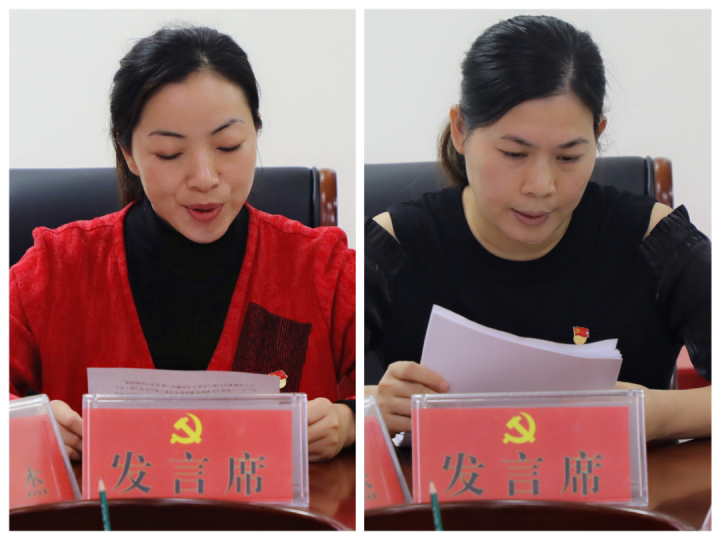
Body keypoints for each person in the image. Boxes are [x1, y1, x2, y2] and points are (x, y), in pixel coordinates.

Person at [10, 25, 355, 462]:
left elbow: (389, 387)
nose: (205, 178)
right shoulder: (54, 270)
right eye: (170, 154)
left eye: (228, 146)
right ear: (129, 153)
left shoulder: (321, 268)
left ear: (256, 133)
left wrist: (348, 420)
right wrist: (22, 421)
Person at [365, 15, 710, 442]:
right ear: (460, 130)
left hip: (613, 486)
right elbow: (314, 401)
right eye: (515, 154)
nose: (541, 185)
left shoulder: (652, 240)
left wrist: (651, 414)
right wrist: (371, 405)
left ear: (597, 136)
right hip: (447, 485)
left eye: (568, 158)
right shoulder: (394, 247)